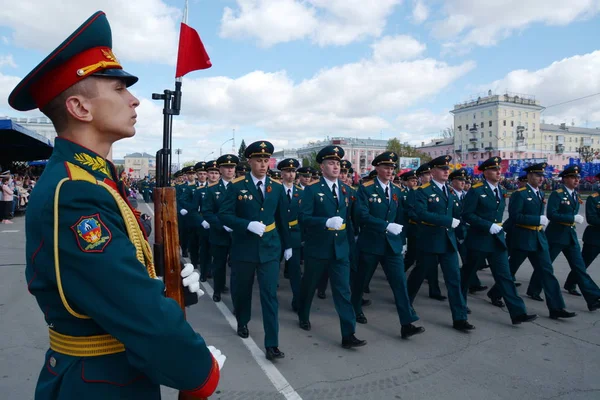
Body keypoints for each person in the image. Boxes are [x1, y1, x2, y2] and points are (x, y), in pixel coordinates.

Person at [9, 11, 223, 398]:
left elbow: (108, 278)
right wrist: (197, 368)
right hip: (100, 381)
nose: (134, 98)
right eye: (119, 88)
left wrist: (160, 282)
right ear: (80, 108)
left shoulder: (93, 179)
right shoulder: (76, 190)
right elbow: (133, 308)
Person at [219, 141, 291, 361]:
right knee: (242, 291)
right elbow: (224, 215)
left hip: (269, 248)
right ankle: (242, 320)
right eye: (258, 160)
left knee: (270, 295)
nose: (263, 164)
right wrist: (245, 224)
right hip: (244, 248)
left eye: (266, 160)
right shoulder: (237, 186)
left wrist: (287, 245)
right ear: (249, 161)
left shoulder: (276, 187)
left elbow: (282, 219)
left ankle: (272, 344)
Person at [297, 145, 367, 349]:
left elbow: (351, 219)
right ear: (322, 166)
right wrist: (325, 222)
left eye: (338, 164)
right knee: (309, 285)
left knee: (343, 291)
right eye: (331, 163)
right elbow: (303, 217)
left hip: (340, 248)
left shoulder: (346, 190)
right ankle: (303, 314)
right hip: (318, 248)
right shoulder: (312, 190)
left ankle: (348, 334)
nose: (336, 167)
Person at [487, 163, 577, 320]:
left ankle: (556, 307)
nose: (541, 178)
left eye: (542, 176)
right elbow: (515, 217)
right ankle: (495, 293)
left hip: (538, 239)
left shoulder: (540, 193)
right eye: (537, 175)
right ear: (529, 176)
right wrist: (537, 219)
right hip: (523, 238)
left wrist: (539, 223)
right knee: (510, 270)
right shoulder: (520, 194)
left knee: (547, 273)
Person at [352, 151, 424, 339]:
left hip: (391, 245)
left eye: (392, 168)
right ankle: (355, 308)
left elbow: (400, 218)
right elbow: (362, 215)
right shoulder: (365, 189)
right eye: (386, 167)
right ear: (377, 168)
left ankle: (406, 322)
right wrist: (385, 225)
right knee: (361, 280)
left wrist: (402, 241)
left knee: (399, 283)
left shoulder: (397, 191)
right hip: (370, 243)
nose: (390, 171)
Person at [460, 157, 537, 325]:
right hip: (479, 240)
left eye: (499, 169)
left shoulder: (501, 190)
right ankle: (459, 304)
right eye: (495, 169)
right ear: (486, 172)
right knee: (467, 275)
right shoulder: (476, 190)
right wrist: (487, 225)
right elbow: (467, 215)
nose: (498, 172)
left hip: (496, 240)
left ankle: (518, 312)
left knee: (505, 276)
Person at [405, 156, 474, 332]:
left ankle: (459, 318)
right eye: (442, 168)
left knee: (454, 280)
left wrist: (461, 233)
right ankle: (405, 306)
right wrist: (446, 221)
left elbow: (456, 216)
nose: (446, 171)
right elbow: (421, 213)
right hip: (430, 240)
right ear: (433, 171)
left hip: (448, 241)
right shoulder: (423, 191)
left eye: (447, 168)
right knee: (418, 275)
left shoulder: (448, 191)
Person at [527, 165, 600, 310]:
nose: (577, 180)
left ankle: (592, 298)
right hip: (556, 236)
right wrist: (571, 217)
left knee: (579, 268)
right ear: (565, 179)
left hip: (570, 237)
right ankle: (534, 289)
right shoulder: (557, 194)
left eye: (578, 178)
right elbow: (552, 215)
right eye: (573, 177)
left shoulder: (575, 194)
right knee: (546, 266)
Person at [203, 156, 238, 303]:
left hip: (238, 234)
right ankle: (217, 289)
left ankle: (237, 299)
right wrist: (223, 224)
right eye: (226, 167)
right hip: (219, 233)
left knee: (237, 268)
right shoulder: (212, 190)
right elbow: (207, 212)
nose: (230, 170)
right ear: (221, 170)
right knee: (219, 264)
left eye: (232, 167)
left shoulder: (241, 187)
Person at [449, 168, 486, 294]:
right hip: (453, 231)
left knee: (467, 258)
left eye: (464, 180)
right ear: (453, 181)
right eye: (460, 180)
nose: (463, 182)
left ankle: (473, 284)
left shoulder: (466, 195)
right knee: (436, 261)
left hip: (466, 231)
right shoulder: (449, 194)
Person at [277, 158, 303, 311]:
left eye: (293, 171)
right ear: (282, 173)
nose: (291, 174)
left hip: (294, 235)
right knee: (273, 268)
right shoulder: (275, 190)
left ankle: (297, 301)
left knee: (295, 271)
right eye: (287, 171)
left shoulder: (300, 192)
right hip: (277, 233)